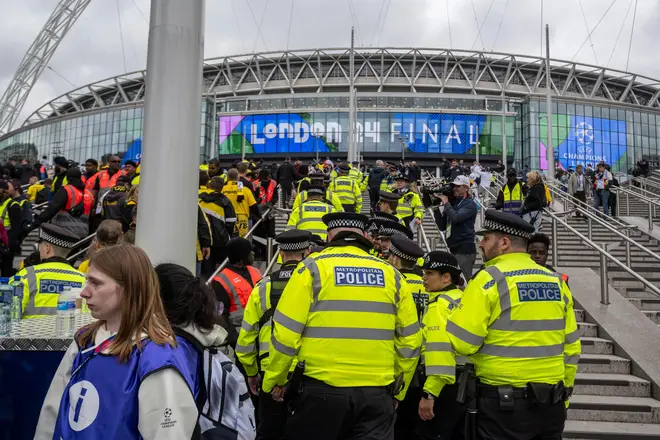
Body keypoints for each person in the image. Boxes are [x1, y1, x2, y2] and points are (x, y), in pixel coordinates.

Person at [262, 212, 422, 440]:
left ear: (329, 236)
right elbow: (410, 341)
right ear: (366, 236)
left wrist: (276, 380)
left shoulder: (311, 269)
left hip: (320, 392)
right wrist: (398, 391)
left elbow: (285, 335)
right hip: (376, 394)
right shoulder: (393, 276)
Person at [35, 245, 200, 439]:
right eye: (87, 281)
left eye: (96, 283)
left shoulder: (157, 357)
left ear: (128, 288)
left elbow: (169, 434)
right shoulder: (85, 340)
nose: (84, 292)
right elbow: (51, 414)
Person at [447, 210, 581, 439]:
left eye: (486, 238)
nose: (480, 244)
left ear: (505, 243)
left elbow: (462, 342)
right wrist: (564, 395)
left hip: (502, 406)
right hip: (551, 404)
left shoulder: (489, 279)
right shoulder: (556, 282)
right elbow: (572, 347)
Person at [236, 230, 312, 440]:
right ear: (307, 252)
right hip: (311, 377)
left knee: (269, 433)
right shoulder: (317, 287)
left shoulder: (262, 288)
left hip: (269, 377)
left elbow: (246, 340)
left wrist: (252, 373)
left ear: (279, 254)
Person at [414, 251, 466, 440]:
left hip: (443, 389)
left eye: (429, 273)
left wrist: (429, 394)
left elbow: (440, 352)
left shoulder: (440, 305)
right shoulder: (462, 299)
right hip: (464, 385)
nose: (424, 278)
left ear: (446, 277)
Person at [16, 223, 86, 318]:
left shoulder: (26, 276)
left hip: (31, 332)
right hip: (68, 332)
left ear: (47, 248)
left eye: (40, 245)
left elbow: (7, 311)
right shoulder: (83, 279)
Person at [212, 237, 262, 345]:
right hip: (240, 333)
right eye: (249, 252)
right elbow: (220, 314)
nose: (253, 254)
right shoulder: (221, 281)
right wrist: (234, 338)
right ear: (241, 257)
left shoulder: (256, 271)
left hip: (261, 331)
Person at [435, 175, 477, 280]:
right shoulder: (452, 204)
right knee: (455, 283)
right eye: (454, 186)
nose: (454, 189)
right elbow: (442, 226)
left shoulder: (469, 204)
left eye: (458, 186)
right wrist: (435, 208)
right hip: (453, 248)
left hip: (464, 249)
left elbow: (456, 218)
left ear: (466, 188)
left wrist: (446, 203)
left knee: (465, 282)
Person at [222, 168, 260, 238]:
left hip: (226, 218)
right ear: (238, 177)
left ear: (227, 177)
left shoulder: (222, 189)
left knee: (228, 240)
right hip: (242, 220)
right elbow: (254, 206)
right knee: (242, 241)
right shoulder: (245, 190)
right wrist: (259, 216)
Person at [0, 180, 22, 276]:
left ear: (4, 190)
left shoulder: (13, 205)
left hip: (6, 245)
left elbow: (16, 230)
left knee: (6, 272)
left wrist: (8, 246)